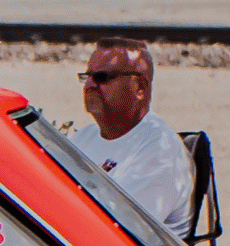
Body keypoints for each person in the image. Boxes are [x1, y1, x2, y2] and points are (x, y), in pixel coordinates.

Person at [66, 41, 196, 232]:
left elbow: (121, 230)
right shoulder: (83, 138)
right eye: (87, 77)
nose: (90, 85)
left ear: (140, 87)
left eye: (102, 77)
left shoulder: (160, 149)